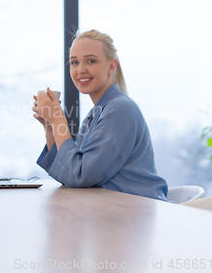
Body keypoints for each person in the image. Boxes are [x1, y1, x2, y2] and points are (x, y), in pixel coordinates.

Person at [33, 29, 167, 200]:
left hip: (135, 213)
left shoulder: (120, 109)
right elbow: (68, 173)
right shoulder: (96, 113)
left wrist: (58, 120)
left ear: (111, 66)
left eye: (90, 61)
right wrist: (50, 126)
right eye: (74, 62)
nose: (80, 69)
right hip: (112, 211)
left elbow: (80, 176)